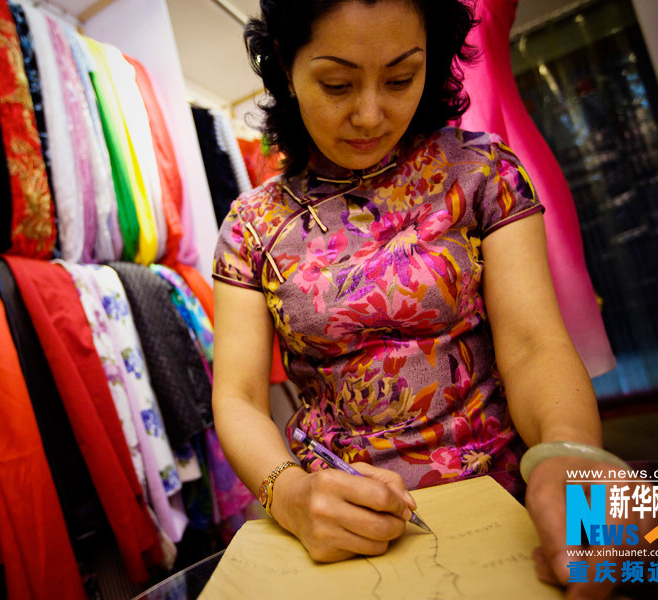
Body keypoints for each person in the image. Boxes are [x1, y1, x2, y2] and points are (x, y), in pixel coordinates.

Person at [211, 1, 626, 597]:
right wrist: (291, 492)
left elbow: (536, 345)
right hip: (340, 518)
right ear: (285, 62)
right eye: (338, 83)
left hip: (503, 493)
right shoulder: (253, 224)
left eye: (401, 78)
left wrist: (567, 458)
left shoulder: (482, 171)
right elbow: (240, 397)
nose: (371, 113)